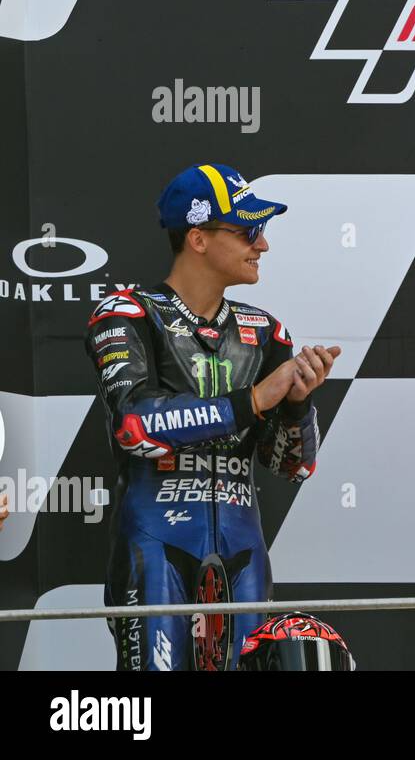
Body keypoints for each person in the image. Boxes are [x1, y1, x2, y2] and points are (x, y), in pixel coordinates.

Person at [85, 163, 340, 670]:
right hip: (155, 547)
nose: (262, 244)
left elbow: (293, 466)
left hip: (245, 549)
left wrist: (296, 403)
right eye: (248, 231)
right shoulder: (128, 312)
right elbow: (136, 428)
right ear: (198, 238)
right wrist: (254, 400)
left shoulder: (265, 331)